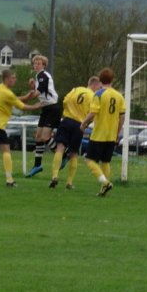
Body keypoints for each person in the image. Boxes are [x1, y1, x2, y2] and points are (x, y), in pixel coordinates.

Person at [0, 70, 42, 187]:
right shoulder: (8, 93)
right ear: (6, 79)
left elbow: (13, 99)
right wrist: (36, 106)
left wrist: (26, 97)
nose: (14, 80)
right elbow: (22, 106)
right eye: (13, 78)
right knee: (6, 150)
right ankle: (9, 180)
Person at [48, 76, 102, 190]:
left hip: (67, 120)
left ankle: (54, 176)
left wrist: (68, 111)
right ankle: (69, 182)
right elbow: (92, 113)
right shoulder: (93, 96)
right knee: (73, 153)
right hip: (79, 124)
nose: (99, 89)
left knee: (60, 148)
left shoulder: (76, 89)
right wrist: (86, 123)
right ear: (95, 84)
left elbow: (65, 101)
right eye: (99, 87)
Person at [80, 68, 126, 197]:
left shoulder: (99, 94)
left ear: (100, 80)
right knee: (105, 161)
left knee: (89, 160)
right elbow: (122, 116)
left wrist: (84, 123)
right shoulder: (119, 96)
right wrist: (117, 132)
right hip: (111, 134)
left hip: (99, 133)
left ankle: (105, 182)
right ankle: (103, 189)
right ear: (112, 80)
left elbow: (93, 113)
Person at [26, 55, 61, 178]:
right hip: (46, 108)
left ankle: (61, 155)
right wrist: (32, 87)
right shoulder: (38, 77)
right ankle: (37, 165)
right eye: (35, 63)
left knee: (45, 137)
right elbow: (41, 91)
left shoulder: (43, 75)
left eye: (39, 63)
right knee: (38, 137)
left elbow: (39, 91)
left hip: (53, 108)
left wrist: (28, 96)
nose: (36, 65)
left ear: (44, 65)